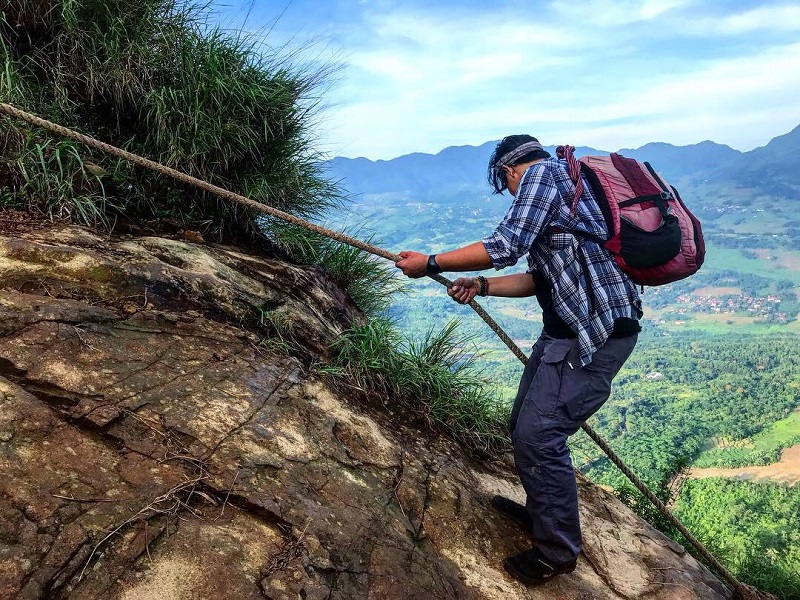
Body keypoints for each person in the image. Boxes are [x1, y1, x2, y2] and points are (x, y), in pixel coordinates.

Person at [395, 135, 643, 586]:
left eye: (505, 184)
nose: (510, 193)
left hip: (592, 336)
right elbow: (539, 277)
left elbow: (506, 244)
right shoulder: (568, 187)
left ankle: (557, 553)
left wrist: (430, 261)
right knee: (523, 427)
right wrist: (482, 286)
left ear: (509, 171)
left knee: (540, 436)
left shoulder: (542, 174)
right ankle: (540, 515)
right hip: (565, 333)